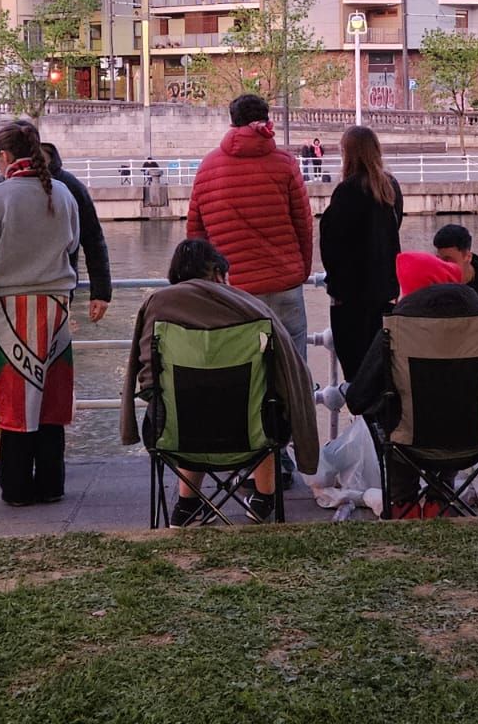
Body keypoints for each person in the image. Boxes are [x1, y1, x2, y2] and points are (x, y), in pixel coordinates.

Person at [122, 239, 319, 526]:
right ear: (217, 273)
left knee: (184, 399)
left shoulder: (156, 305)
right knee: (266, 398)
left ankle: (187, 505)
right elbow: (291, 375)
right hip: (251, 434)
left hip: (176, 433)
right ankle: (264, 501)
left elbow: (145, 374)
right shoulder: (253, 308)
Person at [345, 253, 478, 518]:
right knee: (454, 403)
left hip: (409, 444)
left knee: (394, 408)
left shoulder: (395, 330)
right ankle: (439, 498)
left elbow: (357, 399)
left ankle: (403, 502)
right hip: (477, 440)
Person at [0, 121, 80, 506]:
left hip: (6, 308)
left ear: (5, 156)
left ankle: (15, 486)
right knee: (52, 399)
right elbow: (75, 241)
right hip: (56, 306)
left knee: (15, 400)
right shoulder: (62, 193)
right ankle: (51, 483)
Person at [186, 93, 313, 356]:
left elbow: (196, 234)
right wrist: (300, 271)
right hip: (285, 283)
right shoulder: (285, 164)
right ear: (266, 120)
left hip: (235, 289)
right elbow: (304, 225)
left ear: (232, 122)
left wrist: (211, 283)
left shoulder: (208, 167)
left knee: (244, 369)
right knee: (294, 364)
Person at [319, 126, 404, 379]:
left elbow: (331, 245)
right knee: (380, 374)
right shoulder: (390, 188)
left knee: (356, 374)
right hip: (384, 294)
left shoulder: (347, 191)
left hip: (351, 297)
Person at [42, 141, 113, 324]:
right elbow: (94, 241)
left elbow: (93, 240)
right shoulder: (71, 185)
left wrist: (101, 292)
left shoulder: (70, 186)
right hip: (59, 287)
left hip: (48, 290)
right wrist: (101, 293)